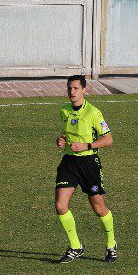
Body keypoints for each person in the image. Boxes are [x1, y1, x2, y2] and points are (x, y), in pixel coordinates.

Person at [54, 75, 116, 264]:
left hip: (89, 164)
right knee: (60, 205)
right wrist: (61, 140)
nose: (72, 92)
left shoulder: (93, 113)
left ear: (84, 90)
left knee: (98, 208)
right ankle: (75, 246)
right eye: (69, 89)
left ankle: (111, 244)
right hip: (69, 163)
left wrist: (87, 146)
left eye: (75, 89)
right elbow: (67, 131)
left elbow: (109, 139)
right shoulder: (64, 110)